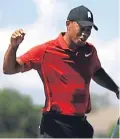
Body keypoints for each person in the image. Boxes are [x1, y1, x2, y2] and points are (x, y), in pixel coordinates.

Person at [3, 5, 119, 138]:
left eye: (89, 30)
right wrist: (13, 47)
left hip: (81, 125)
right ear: (68, 24)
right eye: (82, 28)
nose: (85, 34)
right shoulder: (45, 51)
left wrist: (116, 89)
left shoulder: (90, 51)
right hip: (55, 126)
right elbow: (8, 69)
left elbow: (97, 72)